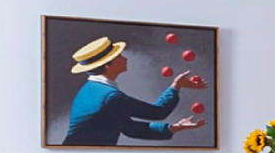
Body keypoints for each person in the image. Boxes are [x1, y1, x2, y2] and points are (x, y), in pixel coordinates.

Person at [62, 36, 204, 145]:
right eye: (119, 56)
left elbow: (129, 128)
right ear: (107, 66)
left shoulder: (92, 89)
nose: (125, 58)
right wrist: (176, 85)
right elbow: (158, 112)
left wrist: (175, 127)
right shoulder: (111, 97)